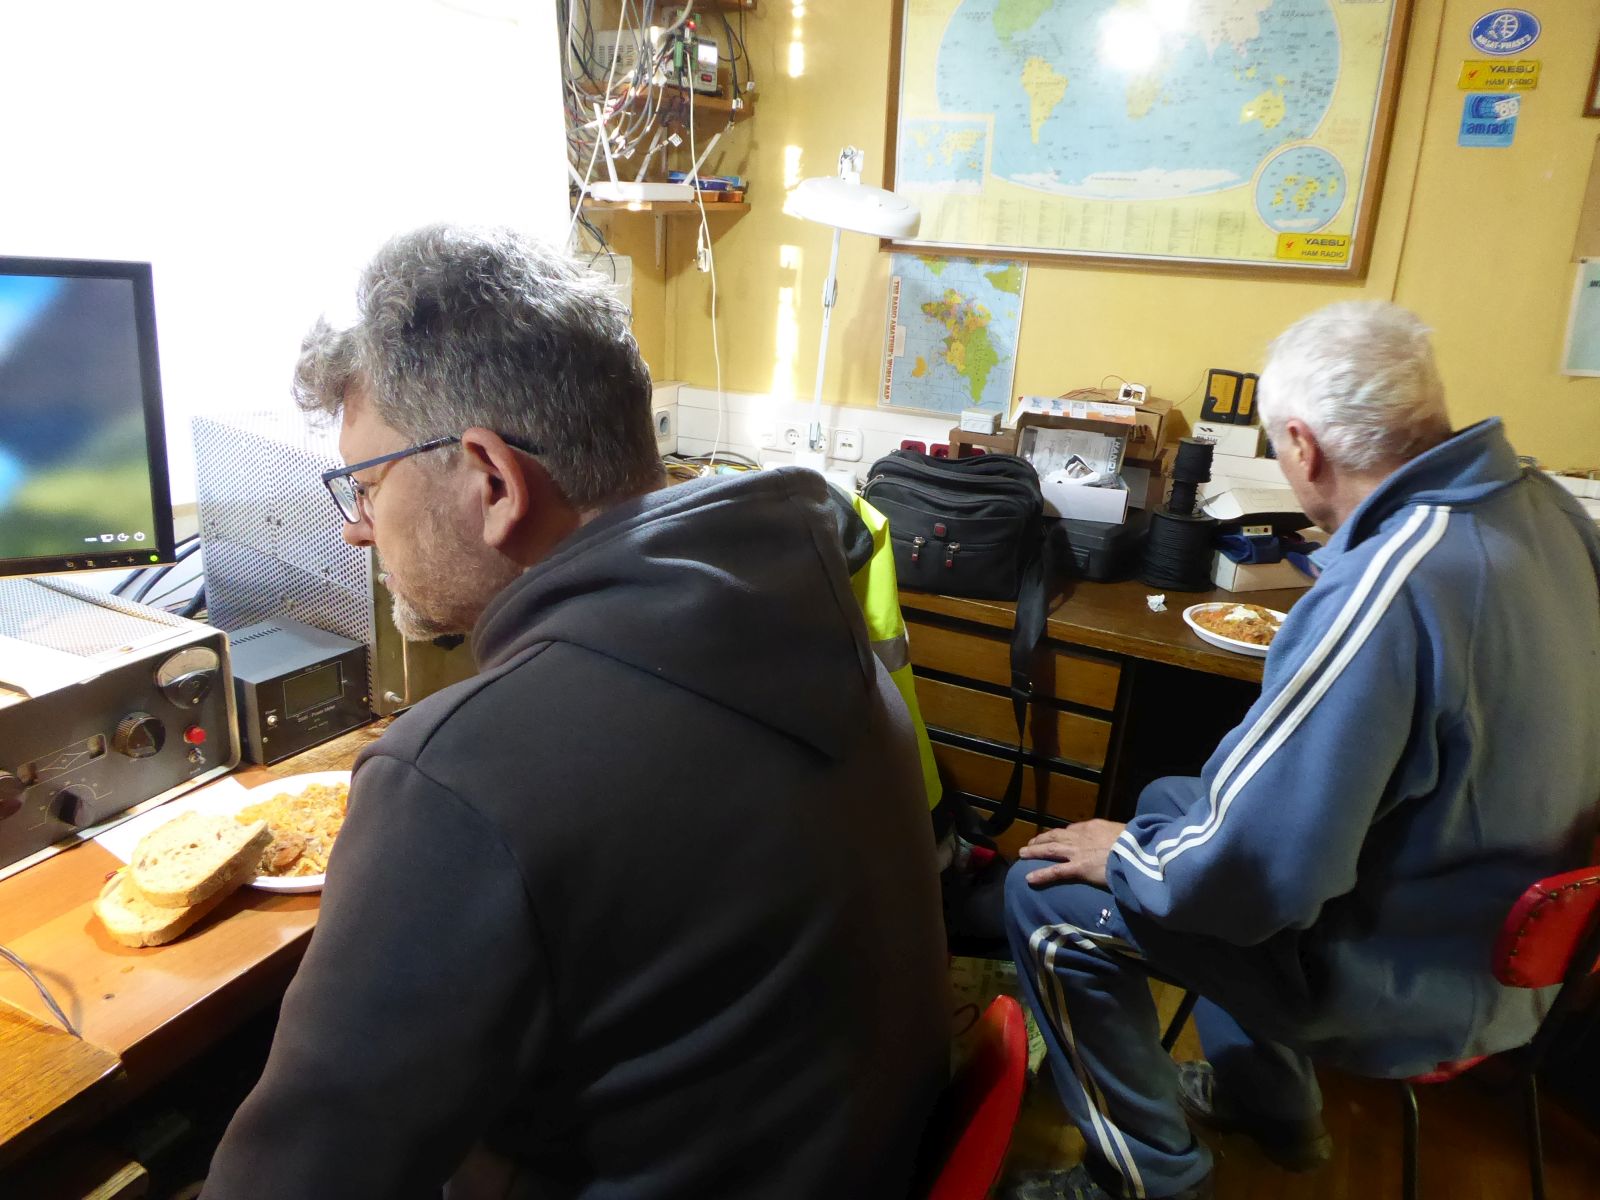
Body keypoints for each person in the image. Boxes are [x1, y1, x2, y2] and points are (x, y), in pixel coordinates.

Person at [202, 225, 948, 1199]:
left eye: (368, 486)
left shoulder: (464, 779)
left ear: (493, 480)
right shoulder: (811, 618)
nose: (356, 530)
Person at [1002, 301, 1600, 1200]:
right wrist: (1157, 837)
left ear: (1302, 446)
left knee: (1047, 898)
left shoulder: (1388, 587)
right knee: (1172, 802)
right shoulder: (1550, 510)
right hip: (1516, 943)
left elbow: (1254, 884)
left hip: (1403, 977)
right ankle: (1271, 1107)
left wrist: (1126, 855)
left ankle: (1148, 1179)